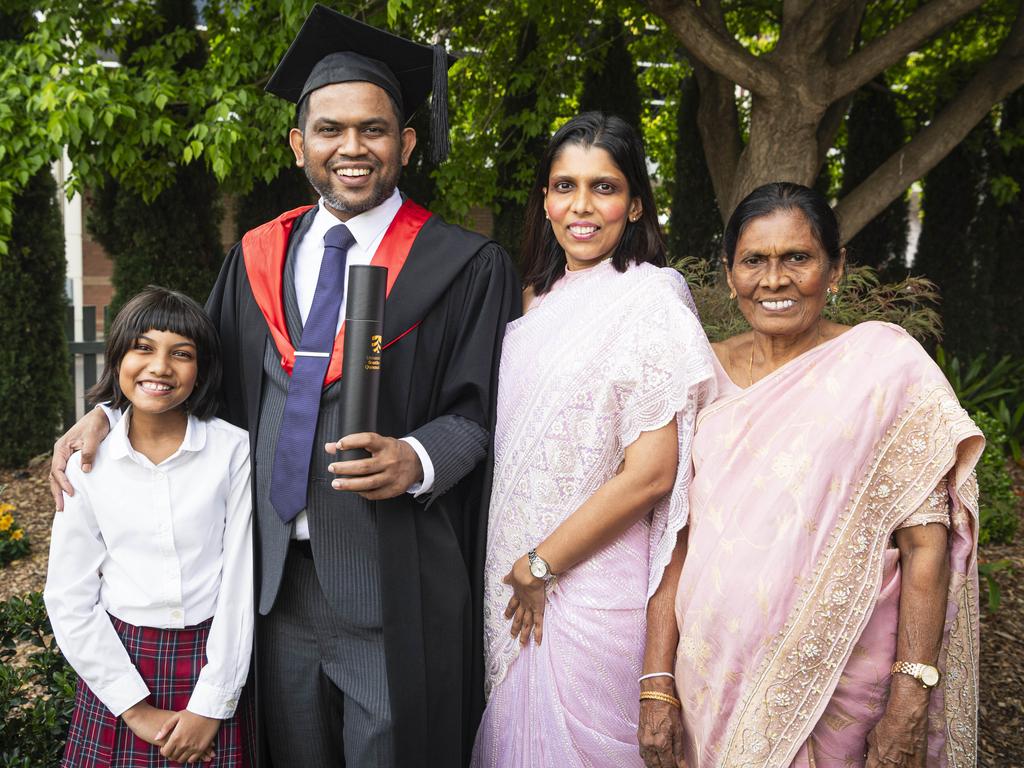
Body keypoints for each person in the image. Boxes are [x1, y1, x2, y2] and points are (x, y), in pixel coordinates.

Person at [50, 6, 519, 767]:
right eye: (330, 130)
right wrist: (106, 413)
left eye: (373, 129)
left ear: (404, 143)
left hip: (391, 575)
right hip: (268, 587)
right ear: (300, 144)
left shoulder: (464, 265)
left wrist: (418, 457)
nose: (352, 148)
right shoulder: (258, 255)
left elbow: (482, 410)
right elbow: (186, 371)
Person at [643, 182, 982, 768]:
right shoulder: (701, 375)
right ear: (730, 273)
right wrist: (656, 682)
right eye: (754, 261)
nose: (774, 280)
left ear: (835, 267)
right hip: (711, 684)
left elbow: (926, 543)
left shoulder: (885, 367)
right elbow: (673, 539)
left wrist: (909, 696)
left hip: (845, 690)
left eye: (797, 258)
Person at [471, 112, 715, 768]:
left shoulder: (652, 299)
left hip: (586, 586)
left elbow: (652, 473)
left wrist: (540, 564)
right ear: (545, 199)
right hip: (515, 586)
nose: (581, 206)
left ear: (635, 203)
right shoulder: (535, 302)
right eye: (563, 186)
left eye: (603, 188)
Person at [44, 286, 253, 767]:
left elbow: (240, 582)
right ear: (117, 357)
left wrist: (210, 705)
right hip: (119, 664)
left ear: (201, 370)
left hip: (210, 664)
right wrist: (134, 709)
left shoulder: (232, 452)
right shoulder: (86, 464)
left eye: (181, 354)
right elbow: (68, 595)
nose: (160, 367)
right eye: (143, 347)